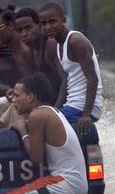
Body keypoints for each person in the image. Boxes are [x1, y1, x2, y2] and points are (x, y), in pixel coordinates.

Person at [39, 2, 103, 135]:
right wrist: (56, 109)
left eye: (52, 22)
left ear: (63, 20)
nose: (48, 27)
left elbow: (93, 78)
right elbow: (65, 82)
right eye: (43, 23)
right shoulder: (57, 45)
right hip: (72, 104)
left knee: (41, 124)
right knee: (42, 116)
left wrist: (86, 115)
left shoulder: (75, 41)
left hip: (84, 108)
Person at [0, 5, 35, 128]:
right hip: (22, 96)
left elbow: (34, 82)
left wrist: (17, 93)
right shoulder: (12, 48)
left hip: (32, 100)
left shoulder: (24, 50)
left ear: (11, 27)